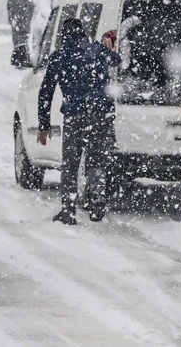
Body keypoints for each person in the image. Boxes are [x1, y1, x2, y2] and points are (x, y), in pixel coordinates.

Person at [37, 18, 121, 225]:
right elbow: (117, 61)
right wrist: (107, 47)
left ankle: (68, 210)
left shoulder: (59, 56)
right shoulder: (97, 50)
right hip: (101, 114)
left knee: (71, 164)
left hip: (75, 115)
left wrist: (44, 125)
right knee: (97, 160)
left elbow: (45, 92)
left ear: (64, 35)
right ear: (82, 32)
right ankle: (97, 203)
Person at [7, 0, 35, 67]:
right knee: (19, 42)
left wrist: (22, 21)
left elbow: (29, 9)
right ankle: (21, 59)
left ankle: (21, 59)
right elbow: (10, 11)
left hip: (21, 24)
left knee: (21, 42)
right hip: (19, 24)